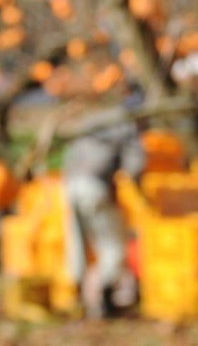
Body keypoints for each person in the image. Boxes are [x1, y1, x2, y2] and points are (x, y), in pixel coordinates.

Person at [62, 93, 147, 318]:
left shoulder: (96, 120)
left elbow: (70, 153)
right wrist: (143, 194)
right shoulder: (128, 126)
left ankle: (76, 295)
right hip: (95, 187)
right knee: (113, 246)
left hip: (69, 184)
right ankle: (103, 298)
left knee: (77, 243)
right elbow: (135, 166)